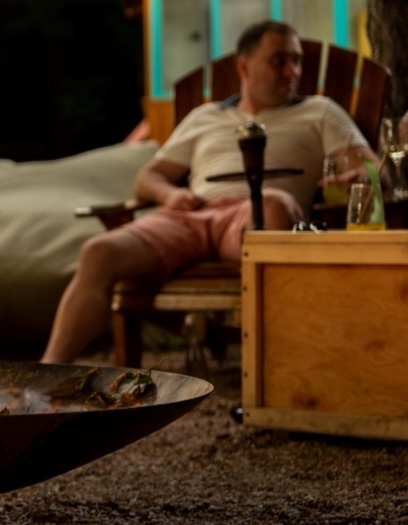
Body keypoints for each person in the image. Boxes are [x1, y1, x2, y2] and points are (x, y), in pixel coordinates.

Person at [40, 20, 379, 364]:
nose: (291, 70)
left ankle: (280, 369)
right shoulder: (204, 116)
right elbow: (149, 176)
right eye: (279, 60)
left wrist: (353, 180)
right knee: (99, 251)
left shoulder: (320, 111)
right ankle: (44, 377)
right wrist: (169, 196)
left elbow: (369, 167)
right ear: (244, 66)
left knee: (275, 205)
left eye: (297, 60)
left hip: (257, 215)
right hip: (192, 214)